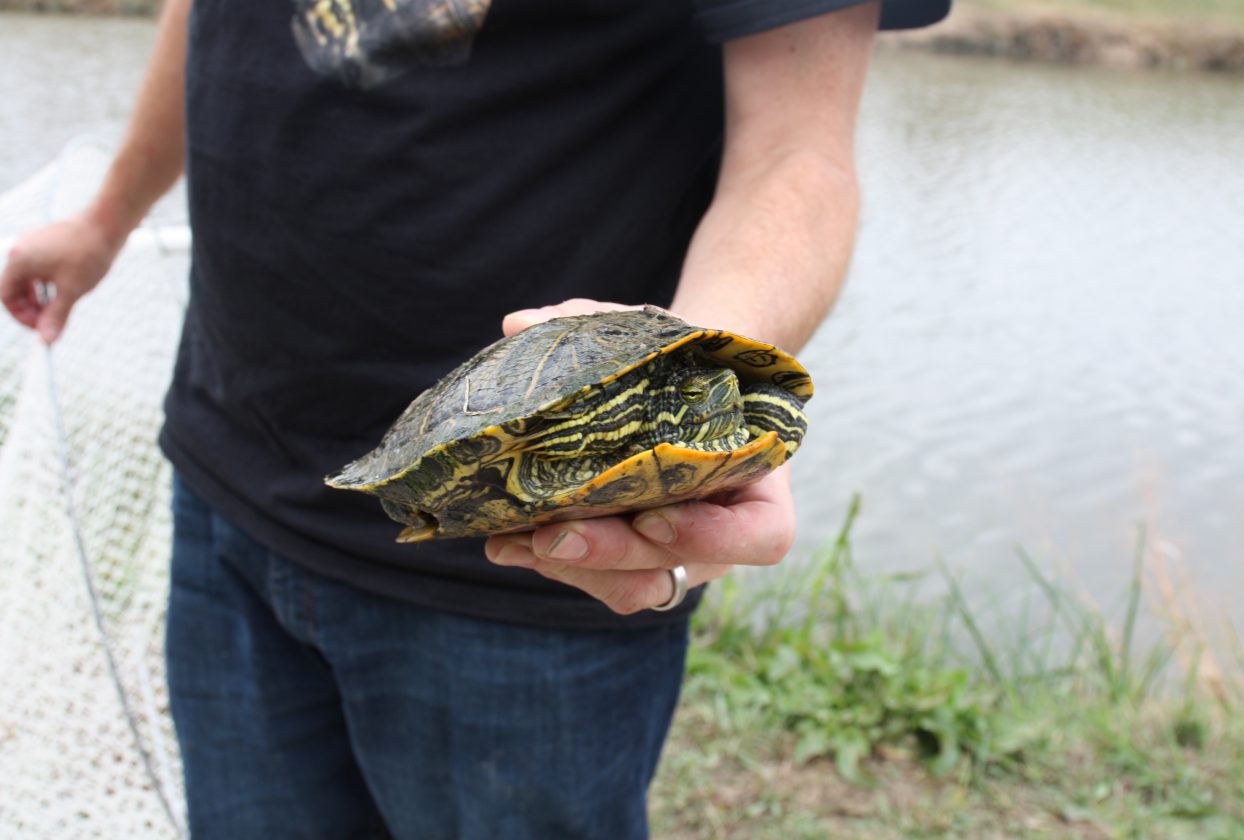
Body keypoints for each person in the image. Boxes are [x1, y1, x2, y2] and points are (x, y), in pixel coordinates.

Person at [2, 0, 949, 836]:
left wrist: (692, 359)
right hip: (228, 468)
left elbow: (799, 153)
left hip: (526, 574)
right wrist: (108, 215)